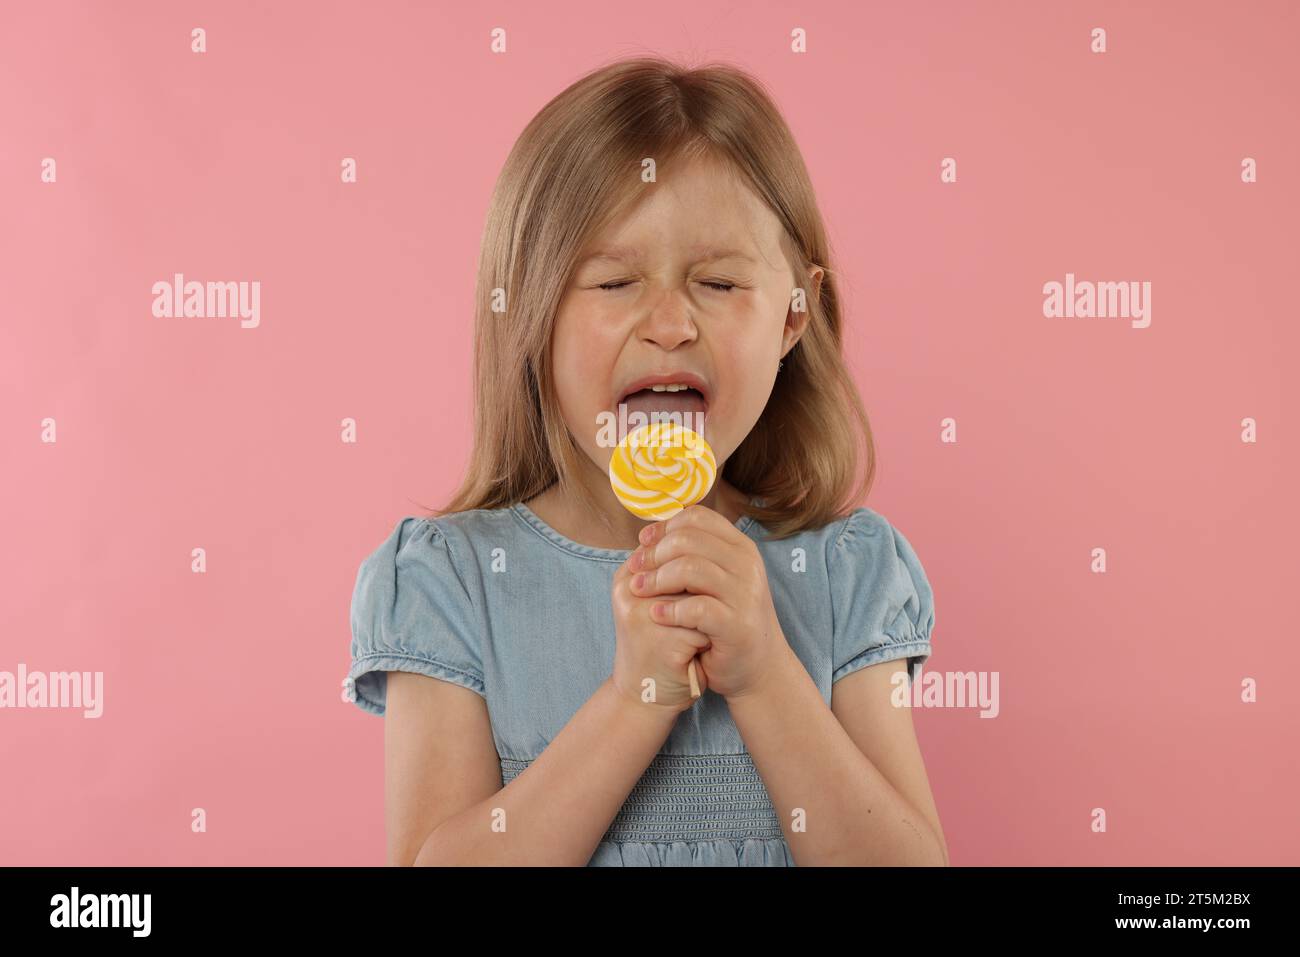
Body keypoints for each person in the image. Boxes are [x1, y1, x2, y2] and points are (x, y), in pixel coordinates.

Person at [346, 56, 947, 867]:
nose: (669, 323)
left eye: (721, 282)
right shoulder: (451, 583)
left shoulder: (846, 575)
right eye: (615, 281)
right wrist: (635, 701)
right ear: (529, 312)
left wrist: (768, 673)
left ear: (794, 317)